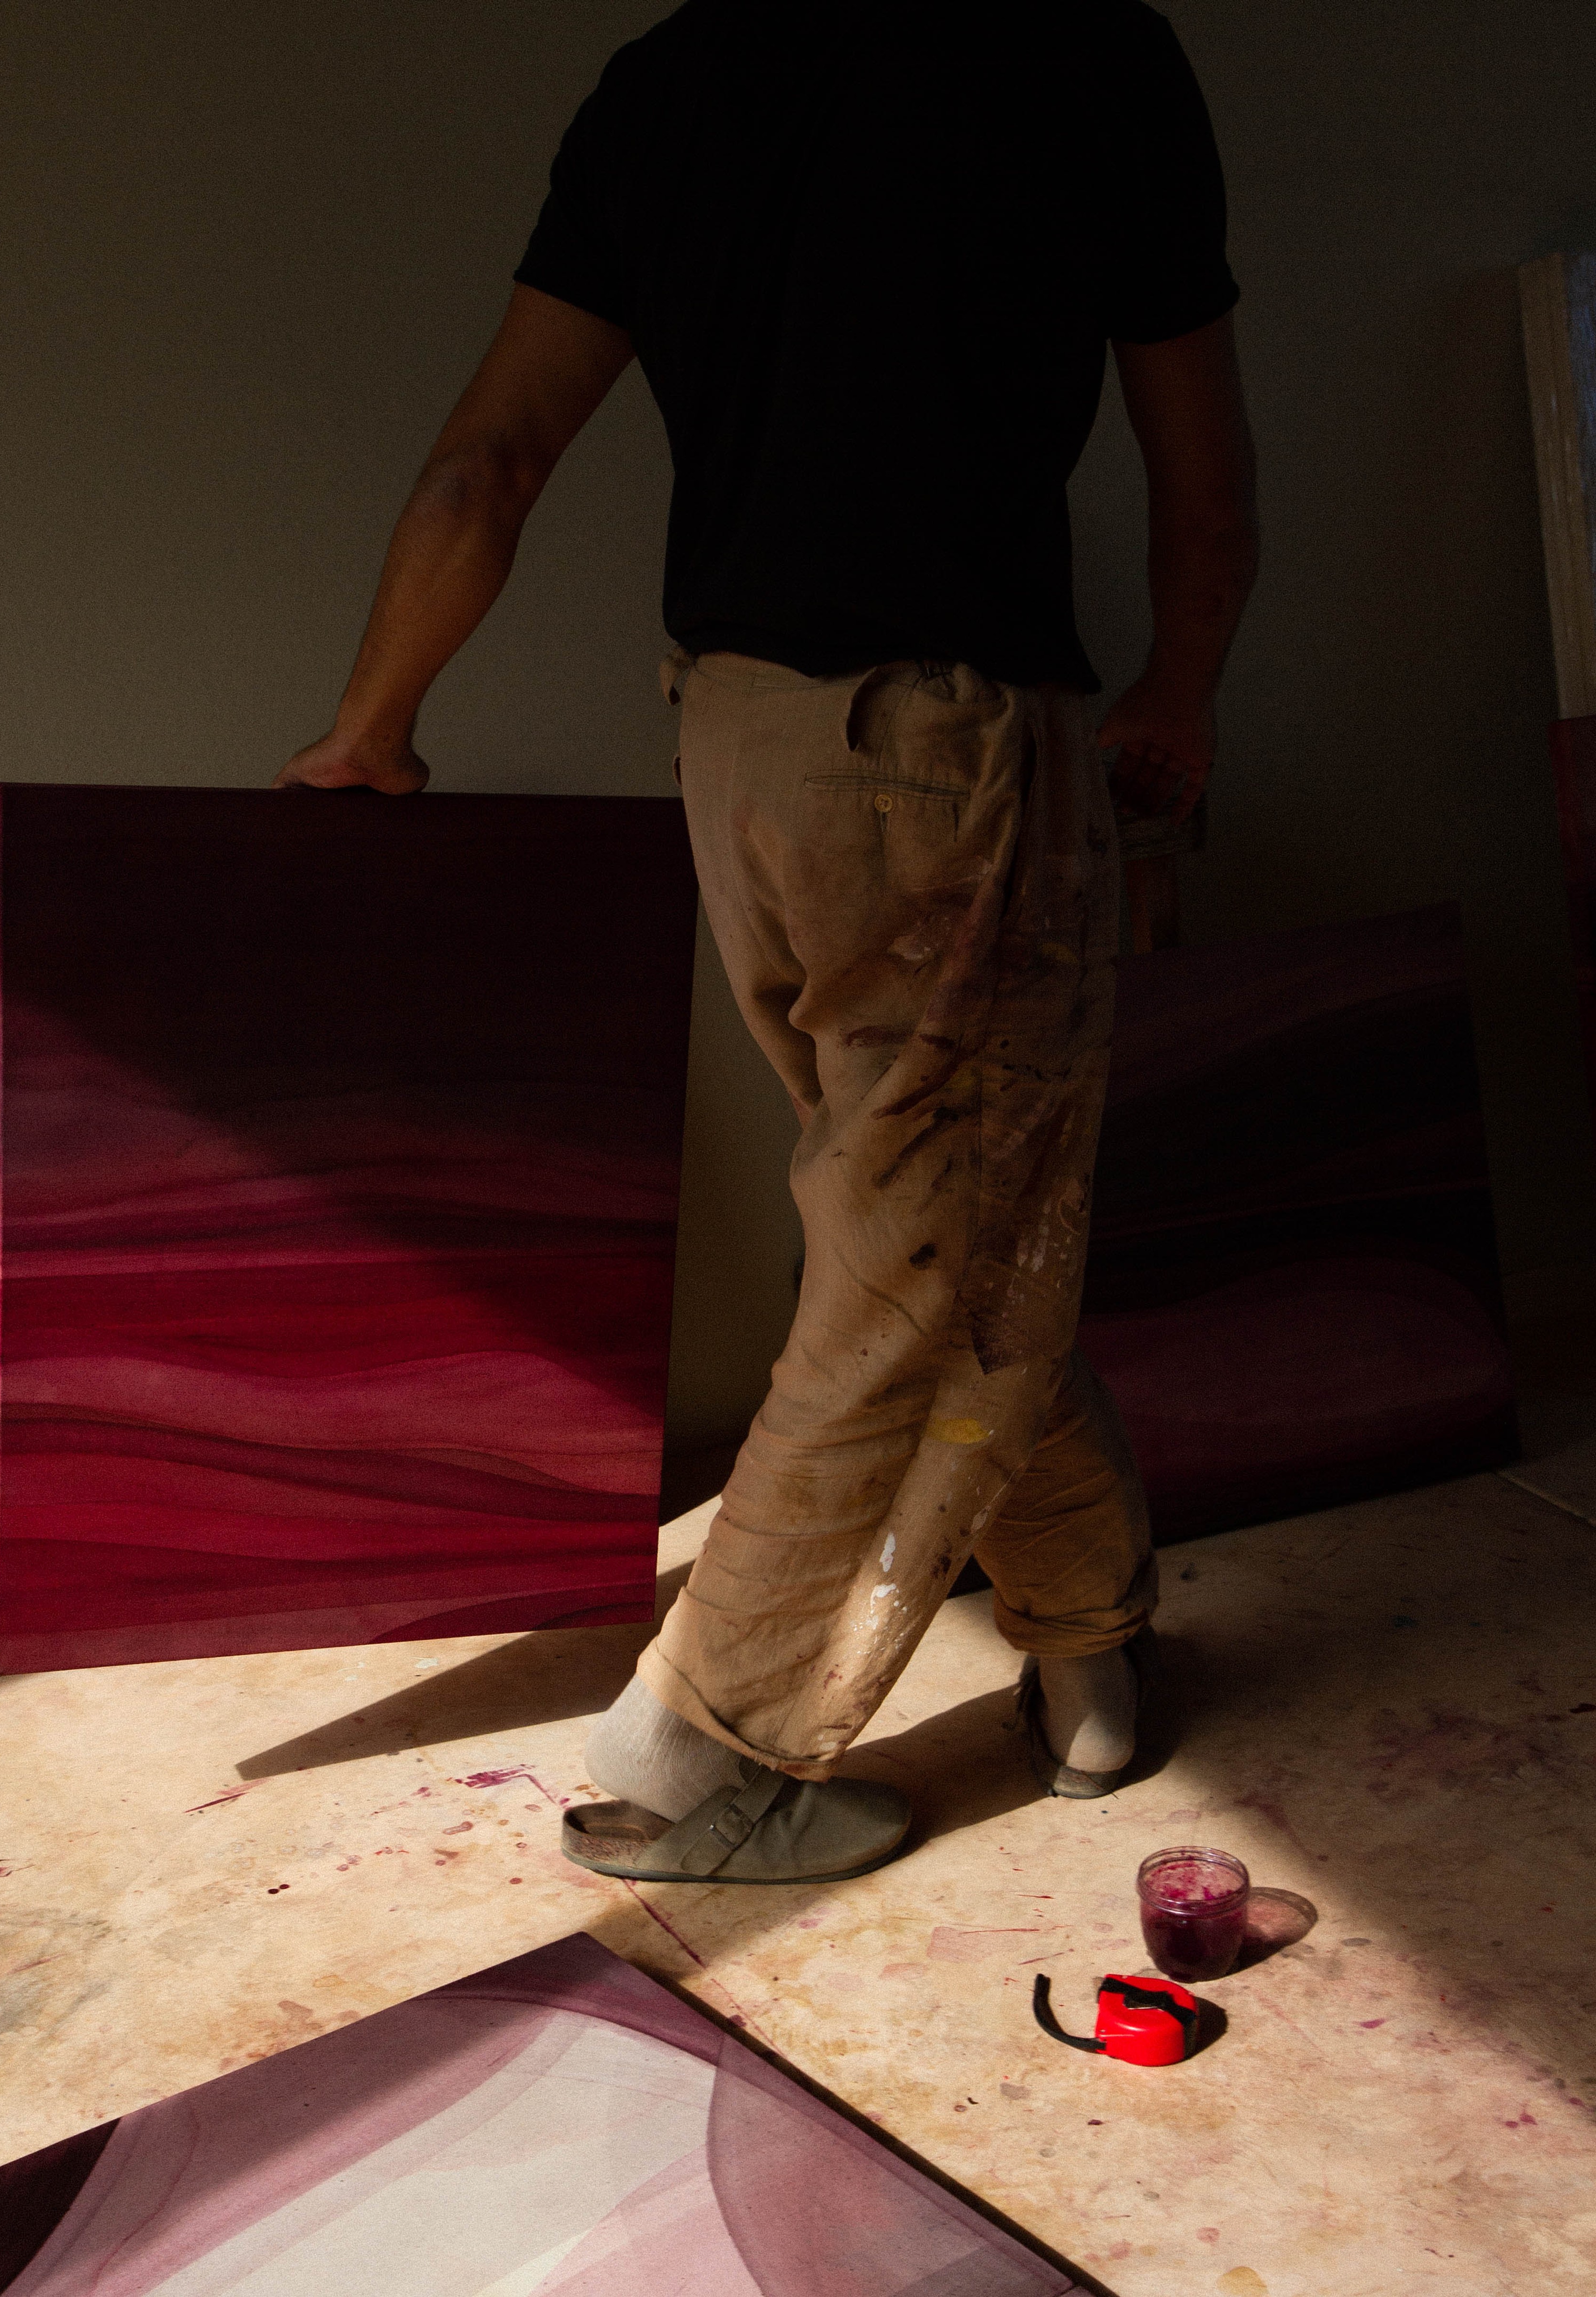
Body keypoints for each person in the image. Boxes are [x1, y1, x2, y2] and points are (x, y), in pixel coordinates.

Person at [278, 0, 1259, 1886]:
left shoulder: (669, 80)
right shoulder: (1092, 54)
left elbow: (489, 462)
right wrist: (1183, 693)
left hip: (738, 744)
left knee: (947, 1223)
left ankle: (1089, 1646)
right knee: (925, 1260)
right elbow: (1206, 495)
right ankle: (696, 1758)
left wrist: (373, 721)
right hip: (957, 747)